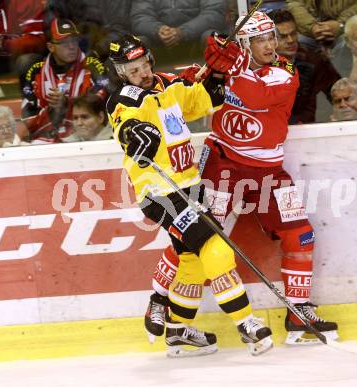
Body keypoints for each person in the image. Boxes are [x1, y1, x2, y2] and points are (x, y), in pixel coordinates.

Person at [146, 11, 339, 347]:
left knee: (300, 235)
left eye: (270, 38)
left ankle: (298, 312)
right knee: (196, 236)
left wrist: (229, 69)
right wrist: (201, 74)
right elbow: (187, 95)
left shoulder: (285, 71)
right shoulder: (227, 69)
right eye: (259, 40)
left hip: (268, 170)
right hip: (222, 163)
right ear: (245, 44)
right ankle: (161, 301)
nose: (269, 45)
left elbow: (256, 96)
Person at [106, 34, 273, 357]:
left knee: (192, 260)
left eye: (143, 65)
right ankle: (246, 322)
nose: (141, 73)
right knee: (216, 247)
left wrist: (217, 74)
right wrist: (135, 135)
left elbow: (207, 100)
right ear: (121, 74)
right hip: (159, 191)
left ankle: (178, 331)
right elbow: (125, 126)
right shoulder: (124, 100)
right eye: (132, 70)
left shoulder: (169, 84)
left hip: (189, 184)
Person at [21, 18, 109, 144]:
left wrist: (67, 103)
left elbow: (100, 105)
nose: (72, 46)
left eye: (74, 40)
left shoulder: (93, 66)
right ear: (51, 47)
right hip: (46, 138)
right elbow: (28, 119)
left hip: (88, 137)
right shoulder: (36, 72)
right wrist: (52, 111)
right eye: (64, 42)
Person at [268, 8, 340, 123]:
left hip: (308, 129)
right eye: (283, 36)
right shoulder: (259, 65)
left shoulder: (313, 61)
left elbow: (337, 91)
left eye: (293, 34)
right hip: (272, 129)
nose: (291, 40)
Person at [130, 0, 227, 67]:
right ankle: (141, 93)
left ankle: (219, 84)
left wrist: (183, 32)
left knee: (212, 38)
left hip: (196, 41)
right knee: (137, 45)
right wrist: (158, 30)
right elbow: (139, 17)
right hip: (159, 44)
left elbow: (215, 13)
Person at [286, 0, 357, 54]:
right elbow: (294, 4)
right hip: (310, 30)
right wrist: (312, 27)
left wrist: (340, 25)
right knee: (293, 42)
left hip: (347, 27)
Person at [0, 0, 46, 75]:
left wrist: (4, 44)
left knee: (25, 61)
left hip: (27, 54)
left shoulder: (26, 2)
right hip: (2, 56)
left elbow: (38, 40)